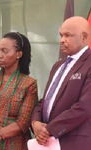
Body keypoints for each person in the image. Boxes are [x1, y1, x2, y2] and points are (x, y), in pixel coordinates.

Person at [31, 16, 91, 150]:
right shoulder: (58, 66)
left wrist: (50, 129)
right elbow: (45, 101)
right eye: (61, 35)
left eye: (68, 35)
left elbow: (85, 107)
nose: (62, 40)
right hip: (47, 142)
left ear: (84, 37)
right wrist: (35, 123)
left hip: (74, 143)